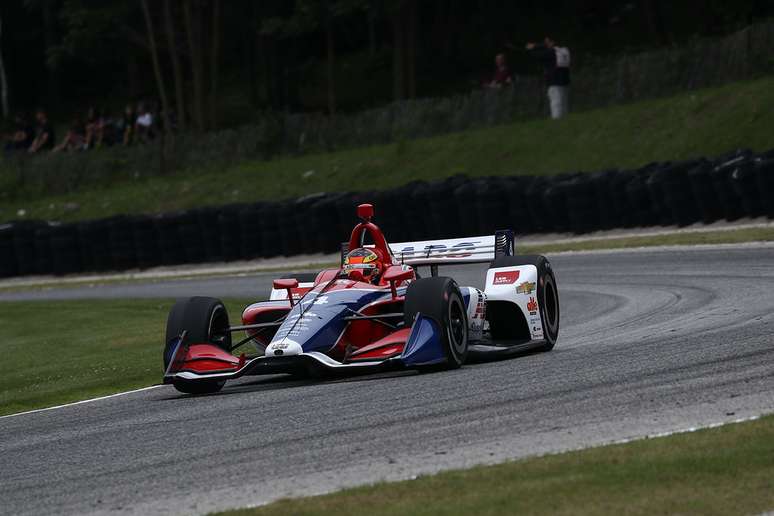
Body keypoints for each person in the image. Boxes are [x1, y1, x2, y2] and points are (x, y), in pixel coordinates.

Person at [526, 37, 571, 119]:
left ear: (552, 42)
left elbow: (536, 55)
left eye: (547, 42)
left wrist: (532, 48)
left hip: (554, 81)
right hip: (564, 80)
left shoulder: (550, 52)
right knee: (564, 102)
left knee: (555, 102)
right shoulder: (564, 50)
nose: (544, 44)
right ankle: (565, 119)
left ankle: (557, 120)